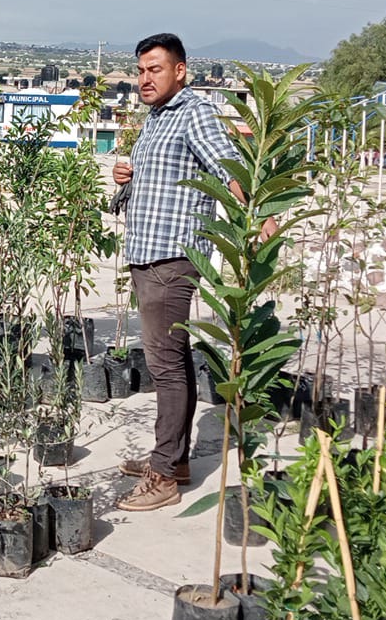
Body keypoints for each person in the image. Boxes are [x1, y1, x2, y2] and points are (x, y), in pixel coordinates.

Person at [112, 33, 274, 512]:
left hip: (171, 256)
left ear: (181, 70)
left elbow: (226, 165)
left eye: (155, 69)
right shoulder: (157, 118)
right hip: (146, 251)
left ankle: (164, 476)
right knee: (172, 359)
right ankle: (174, 458)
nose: (145, 79)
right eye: (141, 70)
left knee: (164, 365)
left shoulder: (194, 111)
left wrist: (261, 212)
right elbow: (165, 181)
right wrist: (128, 180)